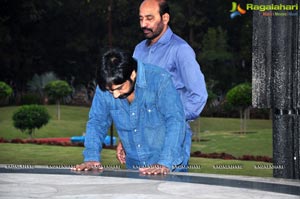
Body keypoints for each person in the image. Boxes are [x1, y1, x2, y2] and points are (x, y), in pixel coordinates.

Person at [116, 0, 208, 170]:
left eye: (149, 18)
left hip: (169, 138)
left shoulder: (181, 50)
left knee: (169, 190)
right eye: (141, 18)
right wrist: (125, 135)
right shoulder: (138, 50)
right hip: (138, 140)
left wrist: (170, 118)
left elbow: (199, 95)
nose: (144, 24)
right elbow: (133, 95)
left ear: (165, 18)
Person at [72, 49, 187, 175]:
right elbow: (97, 122)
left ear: (132, 74)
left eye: (120, 88)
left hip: (169, 167)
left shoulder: (159, 80)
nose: (115, 95)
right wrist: (91, 158)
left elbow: (175, 121)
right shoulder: (106, 85)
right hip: (134, 169)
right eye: (111, 91)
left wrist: (164, 162)